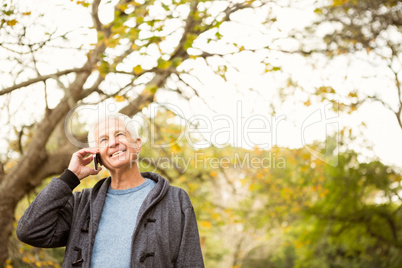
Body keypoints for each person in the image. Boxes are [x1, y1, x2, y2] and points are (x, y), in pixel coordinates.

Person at [16, 113, 204, 267]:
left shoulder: (175, 199)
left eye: (120, 135)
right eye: (104, 139)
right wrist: (70, 177)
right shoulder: (82, 204)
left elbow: (190, 261)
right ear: (97, 155)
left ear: (137, 144)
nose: (113, 142)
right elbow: (29, 230)